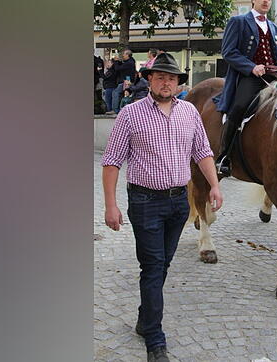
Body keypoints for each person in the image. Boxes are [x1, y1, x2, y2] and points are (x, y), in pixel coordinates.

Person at [101, 52, 223, 362]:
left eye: (171, 78)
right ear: (149, 80)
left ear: (179, 83)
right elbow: (112, 162)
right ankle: (155, 337)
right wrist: (110, 205)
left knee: (164, 265)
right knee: (153, 267)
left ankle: (145, 317)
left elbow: (203, 151)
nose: (166, 82)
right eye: (160, 77)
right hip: (144, 202)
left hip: (178, 203)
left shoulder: (190, 113)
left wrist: (215, 185)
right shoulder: (131, 115)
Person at [214, 0, 277, 177]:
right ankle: (224, 156)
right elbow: (228, 52)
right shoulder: (239, 22)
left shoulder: (274, 28)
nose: (266, 1)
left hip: (274, 78)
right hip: (249, 77)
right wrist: (251, 67)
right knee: (239, 108)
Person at [111, 49, 138, 115]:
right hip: (127, 80)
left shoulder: (129, 63)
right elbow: (123, 65)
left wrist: (116, 61)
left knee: (115, 93)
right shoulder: (131, 61)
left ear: (127, 55)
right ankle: (121, 109)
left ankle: (115, 110)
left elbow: (118, 68)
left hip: (126, 81)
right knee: (123, 95)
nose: (123, 55)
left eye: (124, 54)